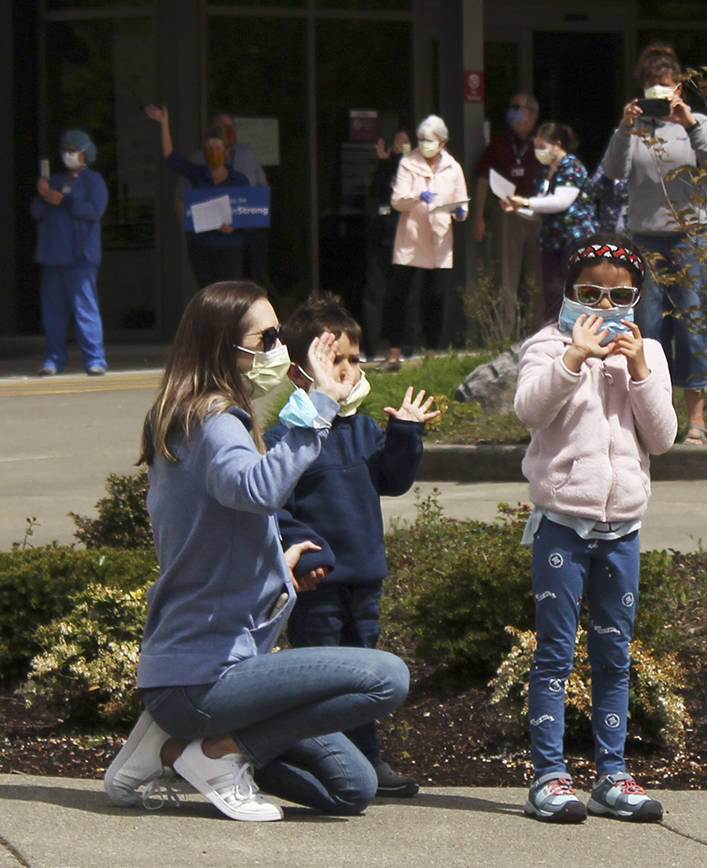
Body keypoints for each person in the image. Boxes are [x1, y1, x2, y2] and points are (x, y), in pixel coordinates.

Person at [103, 281, 409, 821]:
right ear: (225, 344)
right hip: (202, 675)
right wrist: (321, 402)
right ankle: (218, 753)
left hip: (221, 673)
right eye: (267, 337)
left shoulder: (206, 417)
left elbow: (220, 526)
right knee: (386, 677)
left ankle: (173, 750)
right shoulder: (210, 418)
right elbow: (256, 490)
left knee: (350, 789)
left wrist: (278, 566)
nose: (278, 347)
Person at [513, 235, 677, 823]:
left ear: (636, 298)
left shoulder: (648, 351)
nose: (604, 305)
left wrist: (636, 370)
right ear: (569, 293)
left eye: (619, 294)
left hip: (623, 529)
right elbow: (529, 411)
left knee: (615, 654)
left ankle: (612, 774)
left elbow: (662, 437)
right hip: (562, 525)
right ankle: (549, 776)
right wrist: (572, 360)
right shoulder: (547, 345)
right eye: (589, 292)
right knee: (555, 654)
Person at [264, 294, 438, 799]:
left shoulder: (363, 429)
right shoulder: (290, 434)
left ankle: (367, 759)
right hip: (317, 585)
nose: (346, 370)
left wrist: (405, 433)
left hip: (365, 578)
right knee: (319, 675)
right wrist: (305, 554)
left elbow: (393, 480)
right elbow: (278, 507)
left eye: (353, 359)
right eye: (333, 360)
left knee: (363, 671)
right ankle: (316, 757)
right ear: (302, 371)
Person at [600, 42, 707, 446]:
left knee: (692, 326)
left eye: (666, 89)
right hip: (646, 237)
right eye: (652, 89)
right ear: (641, 92)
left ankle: (696, 420)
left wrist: (689, 123)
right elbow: (612, 171)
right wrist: (624, 127)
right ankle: (652, 416)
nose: (660, 97)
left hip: (692, 235)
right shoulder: (634, 129)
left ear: (678, 90)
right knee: (648, 329)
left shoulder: (697, 122)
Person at [387, 114, 468, 365]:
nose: (424, 144)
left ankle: (431, 353)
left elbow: (462, 201)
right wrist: (418, 196)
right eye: (421, 139)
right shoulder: (407, 163)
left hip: (439, 238)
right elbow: (397, 200)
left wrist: (461, 212)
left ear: (443, 142)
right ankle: (394, 353)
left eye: (430, 140)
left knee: (435, 297)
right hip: (411, 238)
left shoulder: (453, 167)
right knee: (401, 295)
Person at [30, 130, 109, 376]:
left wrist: (64, 200)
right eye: (65, 150)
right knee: (53, 314)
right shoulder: (53, 180)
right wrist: (44, 195)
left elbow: (95, 210)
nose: (68, 155)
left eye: (74, 151)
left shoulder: (93, 181)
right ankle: (53, 360)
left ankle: (95, 359)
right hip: (53, 256)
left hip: (80, 257)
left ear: (86, 153)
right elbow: (35, 212)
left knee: (85, 309)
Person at [145, 104, 250, 288]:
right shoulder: (198, 173)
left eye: (218, 148)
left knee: (227, 295)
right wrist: (164, 123)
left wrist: (234, 226)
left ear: (226, 152)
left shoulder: (239, 180)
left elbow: (249, 212)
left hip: (229, 247)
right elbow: (170, 156)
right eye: (209, 148)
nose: (213, 152)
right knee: (206, 294)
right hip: (202, 246)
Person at [503, 122, 598, 320]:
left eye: (543, 147)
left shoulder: (572, 166)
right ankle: (555, 336)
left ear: (558, 144)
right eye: (536, 147)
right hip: (550, 241)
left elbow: (561, 202)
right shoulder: (542, 173)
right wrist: (518, 208)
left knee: (576, 292)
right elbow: (541, 210)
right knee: (552, 292)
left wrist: (527, 202)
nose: (538, 152)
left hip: (574, 239)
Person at [471, 93, 544, 339]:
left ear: (531, 115)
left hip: (537, 214)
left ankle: (538, 335)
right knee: (507, 278)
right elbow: (482, 179)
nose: (511, 112)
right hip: (507, 215)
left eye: (517, 108)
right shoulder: (500, 143)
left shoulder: (542, 144)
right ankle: (503, 337)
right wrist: (478, 216)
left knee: (537, 278)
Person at [174, 111, 270, 283]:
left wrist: (256, 215)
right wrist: (188, 232)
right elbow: (181, 200)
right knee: (216, 290)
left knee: (252, 283)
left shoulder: (247, 154)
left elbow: (262, 186)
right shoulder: (198, 159)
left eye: (230, 127)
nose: (227, 131)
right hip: (210, 240)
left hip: (248, 233)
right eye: (222, 127)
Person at [362, 130, 410, 362]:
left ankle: (402, 347)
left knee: (401, 294)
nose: (400, 147)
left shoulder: (415, 168)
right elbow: (376, 194)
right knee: (375, 292)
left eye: (405, 142)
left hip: (406, 239)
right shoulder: (387, 166)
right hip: (381, 237)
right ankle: (370, 349)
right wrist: (383, 162)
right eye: (397, 142)